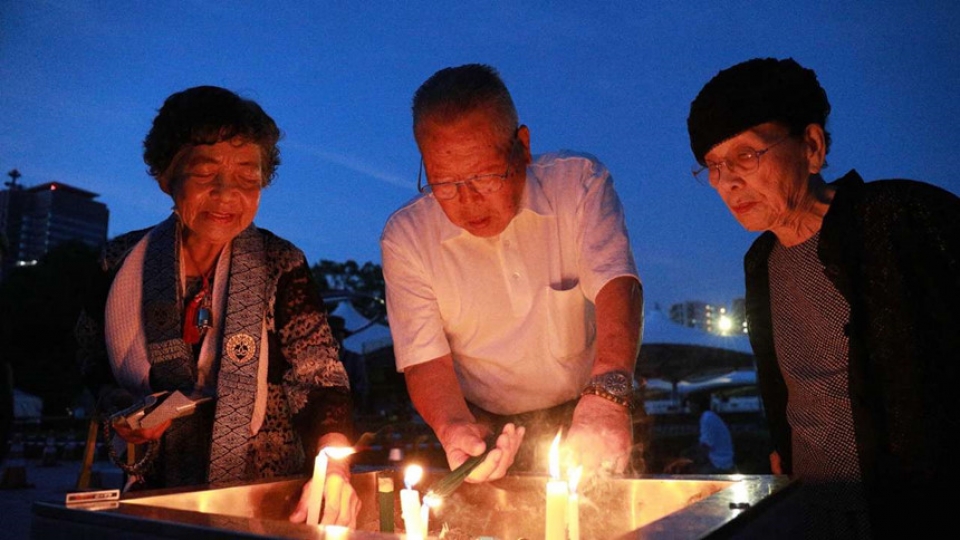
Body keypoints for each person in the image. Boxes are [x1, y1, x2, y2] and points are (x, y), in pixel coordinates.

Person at [687, 57, 960, 538]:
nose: (727, 181)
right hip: (814, 519)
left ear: (811, 146)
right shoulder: (762, 262)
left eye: (746, 155)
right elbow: (787, 389)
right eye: (714, 165)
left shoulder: (901, 218)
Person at [74, 86, 359, 526]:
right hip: (156, 497)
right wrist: (121, 408)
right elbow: (90, 360)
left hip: (269, 500)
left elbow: (320, 379)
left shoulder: (281, 263)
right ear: (166, 177)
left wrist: (334, 465)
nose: (227, 194)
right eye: (206, 173)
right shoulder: (119, 261)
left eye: (247, 176)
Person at [380, 64, 643, 483]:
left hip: (594, 399)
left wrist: (608, 395)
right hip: (485, 425)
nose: (468, 202)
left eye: (484, 178)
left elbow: (617, 284)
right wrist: (453, 427)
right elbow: (424, 359)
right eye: (444, 184)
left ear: (522, 146)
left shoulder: (578, 184)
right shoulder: (407, 237)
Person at [664, 392, 735, 474]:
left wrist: (683, 457)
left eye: (689, 404)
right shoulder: (708, 416)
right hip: (719, 461)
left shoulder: (707, 418)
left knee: (689, 473)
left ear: (696, 405)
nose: (689, 408)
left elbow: (705, 447)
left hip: (719, 463)